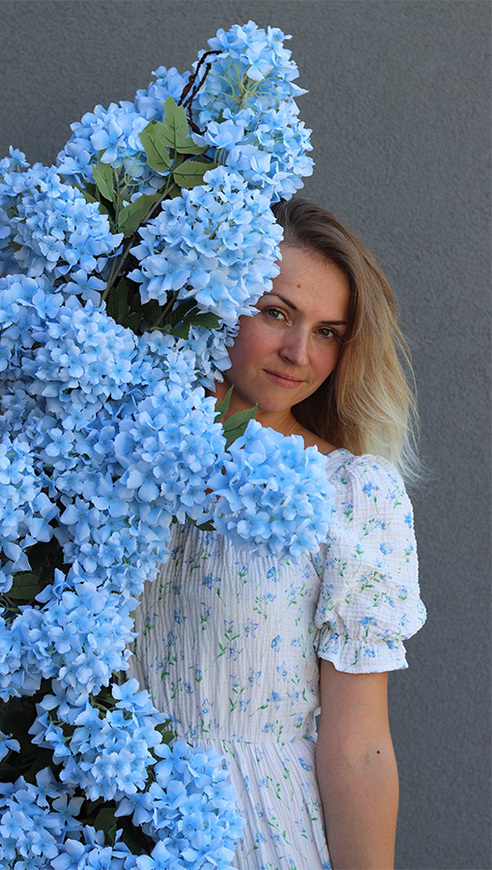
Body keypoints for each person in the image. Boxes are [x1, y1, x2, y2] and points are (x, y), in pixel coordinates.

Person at [127, 197, 426, 869]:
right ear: (210, 302)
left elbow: (359, 746)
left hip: (262, 835)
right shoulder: (105, 458)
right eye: (275, 313)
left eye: (328, 331)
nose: (299, 352)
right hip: (103, 824)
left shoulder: (351, 494)